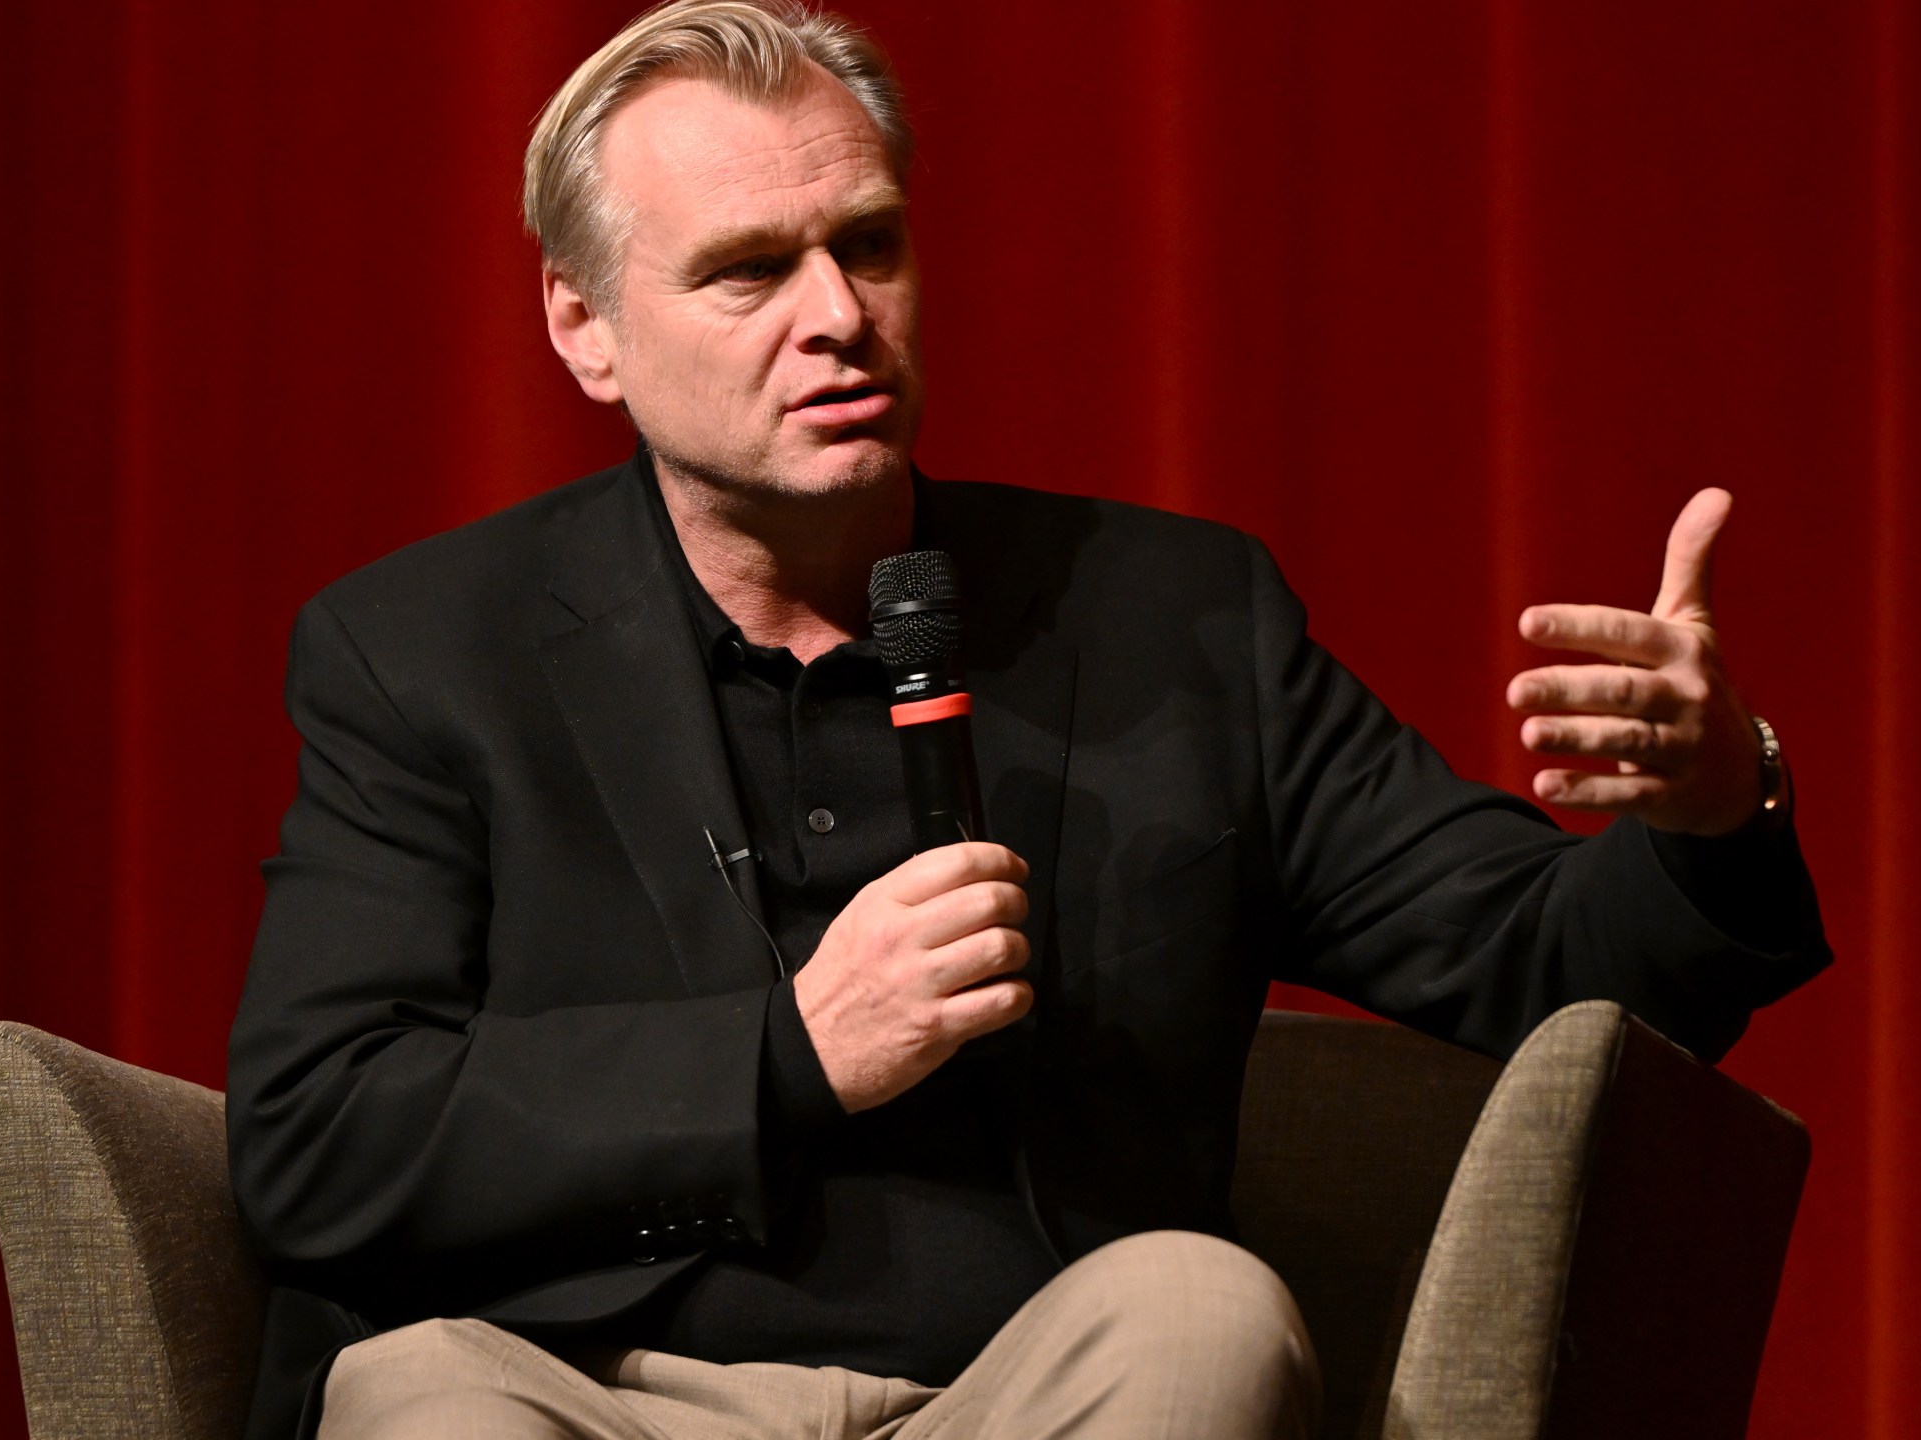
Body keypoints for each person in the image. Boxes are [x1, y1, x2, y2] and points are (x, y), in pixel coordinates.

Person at [224, 4, 1832, 1437]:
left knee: (1204, 1312)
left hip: (1031, 1384)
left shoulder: (1173, 620)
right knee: (414, 1394)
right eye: (746, 271)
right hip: (589, 1390)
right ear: (585, 326)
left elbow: (1541, 960)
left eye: (868, 245)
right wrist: (786, 1054)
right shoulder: (427, 652)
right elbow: (319, 1138)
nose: (837, 314)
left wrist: (1707, 812)